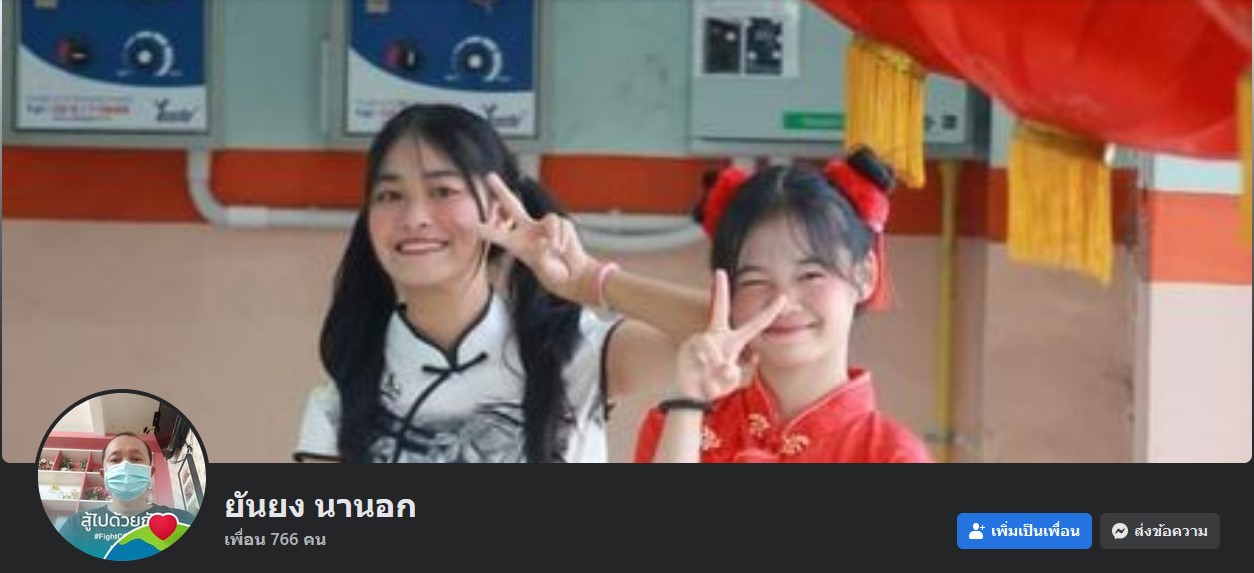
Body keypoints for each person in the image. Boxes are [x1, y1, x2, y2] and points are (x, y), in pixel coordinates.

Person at [294, 103, 708, 463]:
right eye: (390, 195)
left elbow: (735, 339)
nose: (414, 217)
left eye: (443, 190)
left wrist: (590, 281)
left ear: (500, 211)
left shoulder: (574, 349)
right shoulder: (339, 401)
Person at [635, 148, 933, 463]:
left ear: (865, 275)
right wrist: (688, 405)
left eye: (810, 275)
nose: (783, 303)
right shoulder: (677, 424)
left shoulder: (893, 455)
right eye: (754, 281)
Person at [58, 432, 195, 558]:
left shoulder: (183, 521)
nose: (125, 465)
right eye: (115, 460)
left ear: (149, 473)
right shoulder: (77, 526)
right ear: (104, 475)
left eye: (136, 459)